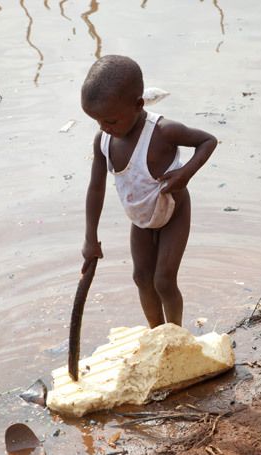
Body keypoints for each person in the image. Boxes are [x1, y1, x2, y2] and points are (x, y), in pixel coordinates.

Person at [80, 55, 218, 328]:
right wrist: (90, 239)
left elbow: (207, 141)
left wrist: (184, 173)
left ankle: (175, 334)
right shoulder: (104, 141)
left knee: (164, 280)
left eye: (110, 121)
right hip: (141, 218)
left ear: (138, 105)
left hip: (173, 212)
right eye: (98, 122)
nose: (104, 128)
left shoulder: (163, 132)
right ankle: (156, 332)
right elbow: (96, 189)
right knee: (141, 278)